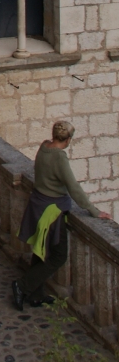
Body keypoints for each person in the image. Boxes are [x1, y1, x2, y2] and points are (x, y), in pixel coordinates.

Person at [12, 120, 111, 310]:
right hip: (51, 210)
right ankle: (22, 286)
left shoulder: (44, 147)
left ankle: (36, 294)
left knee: (42, 250)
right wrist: (93, 210)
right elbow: (73, 187)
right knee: (58, 256)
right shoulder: (59, 157)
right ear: (68, 140)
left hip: (38, 204)